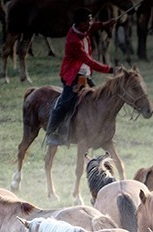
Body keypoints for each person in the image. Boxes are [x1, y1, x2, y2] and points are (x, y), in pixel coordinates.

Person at [45, 8, 119, 146]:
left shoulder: (83, 30)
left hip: (84, 75)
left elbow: (94, 26)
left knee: (97, 101)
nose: (90, 24)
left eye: (90, 21)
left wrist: (105, 24)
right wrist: (110, 69)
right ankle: (52, 132)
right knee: (65, 103)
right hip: (72, 76)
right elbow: (89, 61)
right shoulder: (74, 41)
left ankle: (99, 134)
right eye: (88, 22)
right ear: (80, 23)